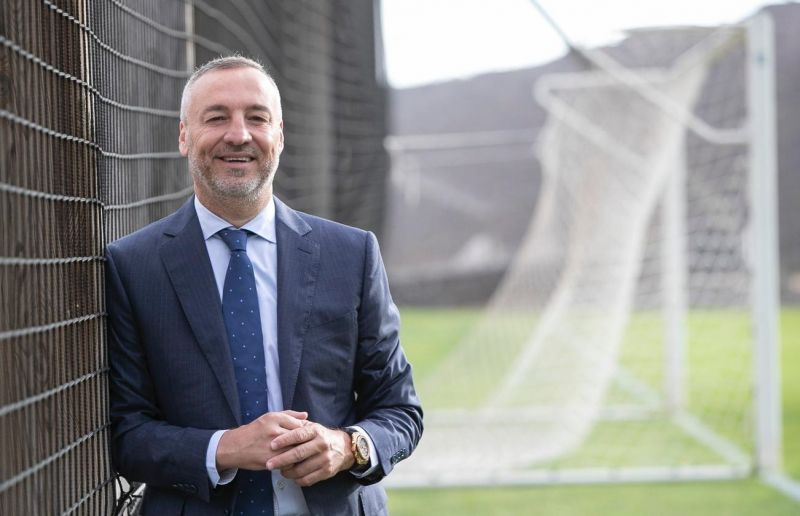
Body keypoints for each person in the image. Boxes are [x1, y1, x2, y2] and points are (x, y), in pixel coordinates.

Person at [105, 55, 422, 516]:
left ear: (280, 136)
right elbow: (126, 433)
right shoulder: (133, 266)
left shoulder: (351, 254)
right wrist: (226, 447)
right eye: (217, 118)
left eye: (257, 118)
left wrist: (348, 445)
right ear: (184, 136)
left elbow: (401, 410)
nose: (239, 135)